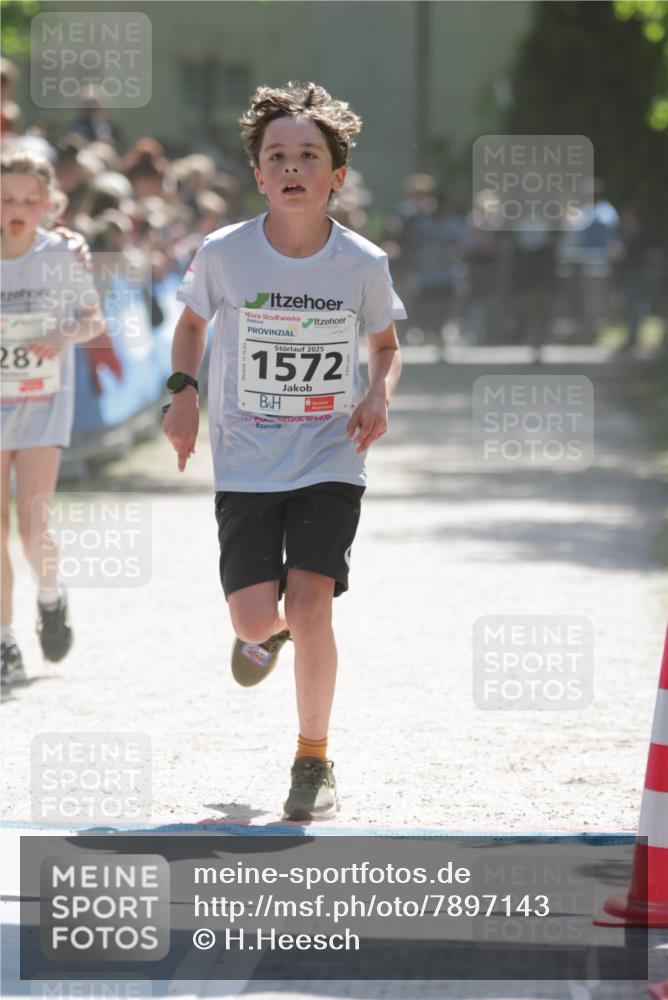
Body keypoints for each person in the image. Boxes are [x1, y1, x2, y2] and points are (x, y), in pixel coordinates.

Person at [163, 81, 405, 821]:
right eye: (278, 156)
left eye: (310, 155)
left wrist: (377, 393)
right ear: (258, 174)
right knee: (252, 619)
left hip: (330, 454)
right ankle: (260, 636)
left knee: (311, 605)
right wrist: (182, 392)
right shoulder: (225, 254)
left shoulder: (361, 261)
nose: (293, 167)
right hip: (246, 457)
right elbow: (193, 329)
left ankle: (312, 758)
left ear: (336, 174)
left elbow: (386, 345)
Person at [1, 152, 105, 687]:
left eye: (28, 200)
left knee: (32, 525)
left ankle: (50, 594)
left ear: (46, 205)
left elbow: (93, 319)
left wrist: (62, 335)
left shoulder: (59, 256)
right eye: (6, 200)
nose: (17, 210)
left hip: (41, 406)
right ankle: (5, 641)